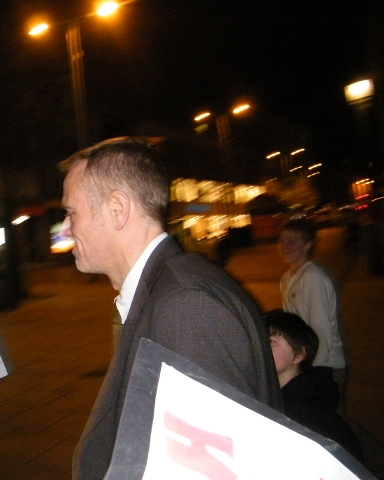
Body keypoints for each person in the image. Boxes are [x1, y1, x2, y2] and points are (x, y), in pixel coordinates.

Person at [59, 137, 282, 480]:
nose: (65, 229)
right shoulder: (172, 289)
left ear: (117, 209)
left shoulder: (186, 308)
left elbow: (213, 470)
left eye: (72, 213)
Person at [264, 310, 361, 460]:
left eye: (271, 341)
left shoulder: (304, 409)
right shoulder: (274, 394)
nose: (262, 347)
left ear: (298, 355)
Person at [277, 219, 346, 393]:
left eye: (292, 241)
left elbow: (321, 331)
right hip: (306, 363)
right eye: (282, 240)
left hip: (325, 366)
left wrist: (313, 372)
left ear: (307, 245)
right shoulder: (287, 278)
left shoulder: (312, 277)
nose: (285, 246)